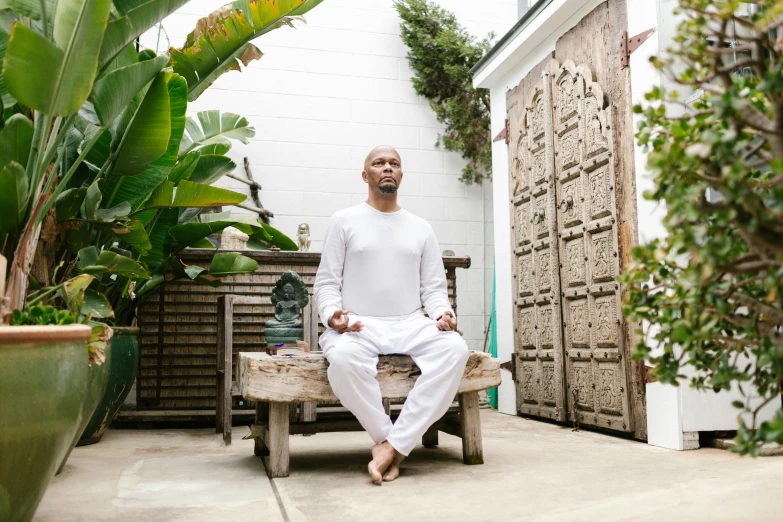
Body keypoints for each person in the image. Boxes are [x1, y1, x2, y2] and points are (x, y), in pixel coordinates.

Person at [314, 145, 470, 485]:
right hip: (360, 324)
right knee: (341, 361)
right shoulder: (343, 221)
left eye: (394, 163)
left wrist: (443, 312)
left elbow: (433, 288)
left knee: (455, 350)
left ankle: (391, 448)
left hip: (411, 323)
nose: (387, 167)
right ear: (365, 174)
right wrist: (333, 316)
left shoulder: (421, 227)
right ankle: (391, 443)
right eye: (379, 163)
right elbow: (326, 285)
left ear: (401, 174)